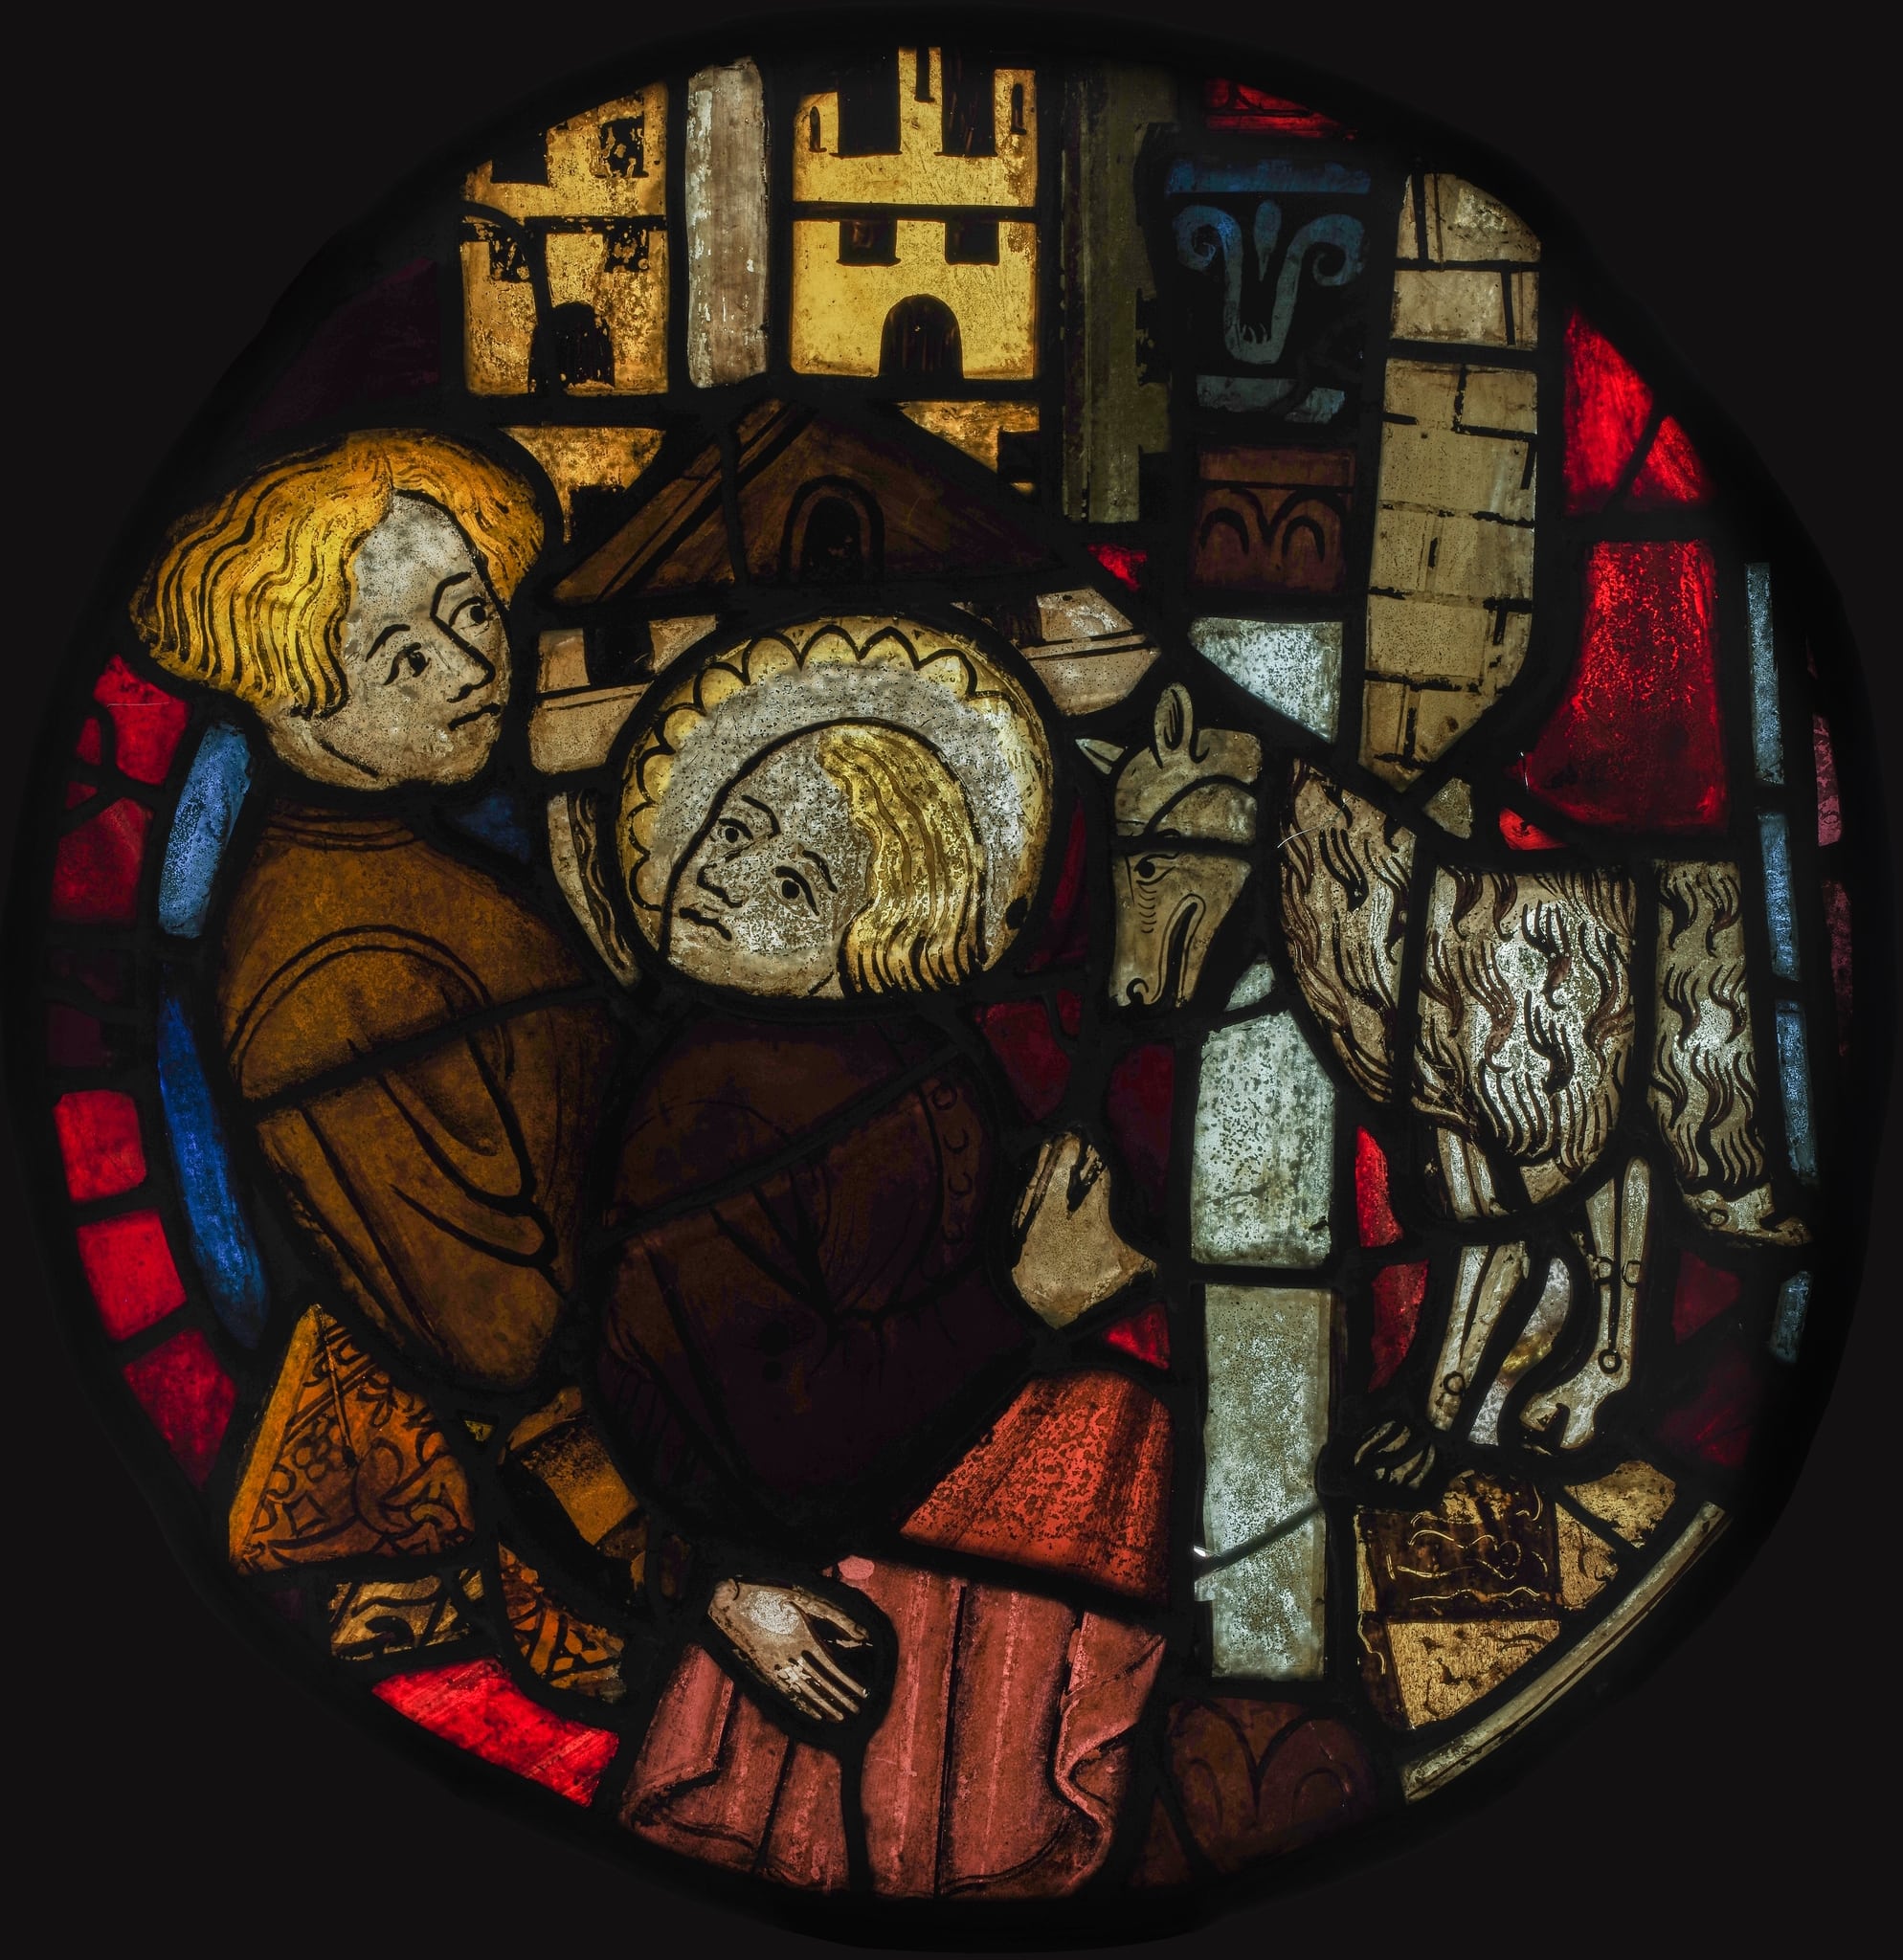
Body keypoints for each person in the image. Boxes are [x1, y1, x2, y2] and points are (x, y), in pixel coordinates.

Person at [595, 623, 1172, 1899]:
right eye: (738, 827)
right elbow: (782, 1445)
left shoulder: (909, 1062)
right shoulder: (714, 1095)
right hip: (831, 1568)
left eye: (798, 881)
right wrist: (1021, 1304)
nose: (730, 875)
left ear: (883, 931)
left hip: (872, 1562)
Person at [132, 430, 617, 1390]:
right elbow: (501, 1336)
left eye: (471, 609)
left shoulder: (403, 855)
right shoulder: (339, 970)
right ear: (291, 708)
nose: (472, 667)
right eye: (405, 660)